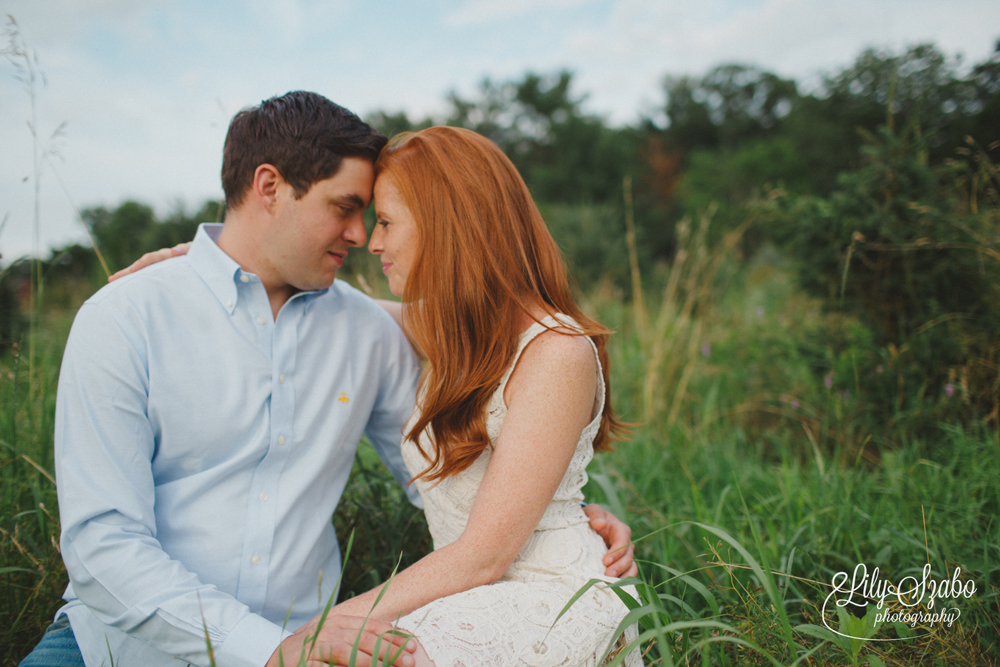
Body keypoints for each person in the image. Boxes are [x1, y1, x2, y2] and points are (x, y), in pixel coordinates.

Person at [21, 91, 635, 667]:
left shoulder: (366, 329)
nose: (362, 237)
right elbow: (102, 545)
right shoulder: (128, 315)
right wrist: (267, 647)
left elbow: (452, 479)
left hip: (315, 643)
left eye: (376, 218)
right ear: (270, 187)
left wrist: (559, 517)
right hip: (124, 642)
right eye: (345, 209)